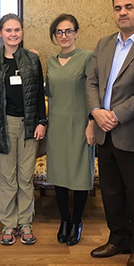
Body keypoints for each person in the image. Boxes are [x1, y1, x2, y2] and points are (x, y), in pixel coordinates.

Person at [85, 0, 134, 266]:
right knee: (111, 192)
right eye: (118, 8)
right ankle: (118, 239)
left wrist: (115, 115)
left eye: (129, 7)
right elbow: (91, 83)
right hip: (105, 132)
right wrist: (95, 112)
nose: (123, 12)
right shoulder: (103, 44)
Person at [0, 13, 47, 245]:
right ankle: (8, 224)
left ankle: (25, 222)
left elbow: (39, 94)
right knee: (8, 177)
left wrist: (42, 121)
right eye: (8, 30)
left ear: (22, 32)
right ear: (0, 33)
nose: (13, 34)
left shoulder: (32, 60)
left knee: (25, 177)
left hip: (30, 124)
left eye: (17, 30)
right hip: (4, 125)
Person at [45, 14, 95, 246]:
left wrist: (92, 123)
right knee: (61, 175)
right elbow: (50, 96)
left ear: (76, 32)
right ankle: (64, 219)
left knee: (79, 173)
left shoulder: (88, 57)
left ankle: (76, 221)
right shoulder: (51, 61)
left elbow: (94, 93)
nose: (64, 36)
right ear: (54, 36)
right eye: (59, 32)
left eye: (68, 31)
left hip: (81, 125)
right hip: (57, 125)